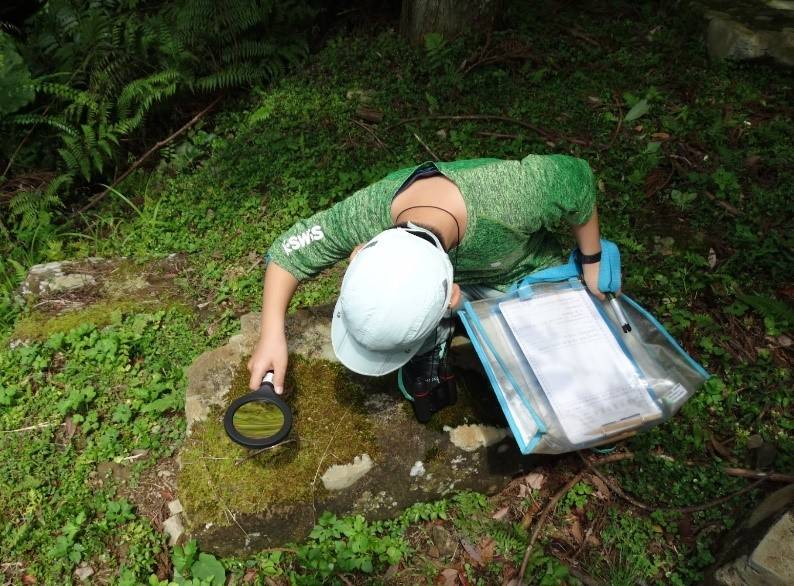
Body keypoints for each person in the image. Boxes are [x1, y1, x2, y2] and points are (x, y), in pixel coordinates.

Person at [247, 154, 607, 422]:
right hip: (448, 289)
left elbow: (576, 180)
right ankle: (432, 345)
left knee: (574, 379)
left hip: (520, 274)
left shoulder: (513, 196)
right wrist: (271, 335)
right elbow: (287, 253)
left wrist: (592, 259)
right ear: (359, 253)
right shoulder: (364, 216)